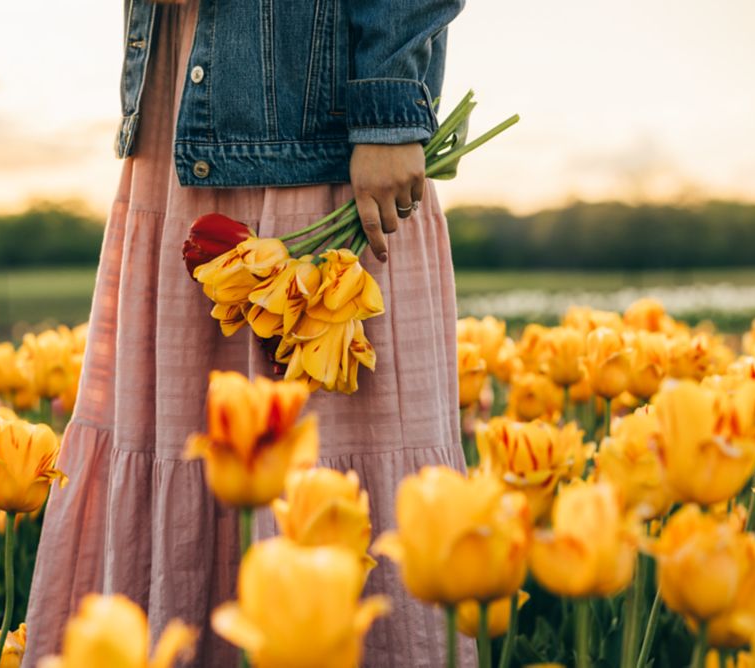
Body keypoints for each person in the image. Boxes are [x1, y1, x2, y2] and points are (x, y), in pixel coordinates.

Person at [23, 0, 473, 665]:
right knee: (187, 439)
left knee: (324, 453)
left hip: (317, 124)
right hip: (180, 112)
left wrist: (388, 108)